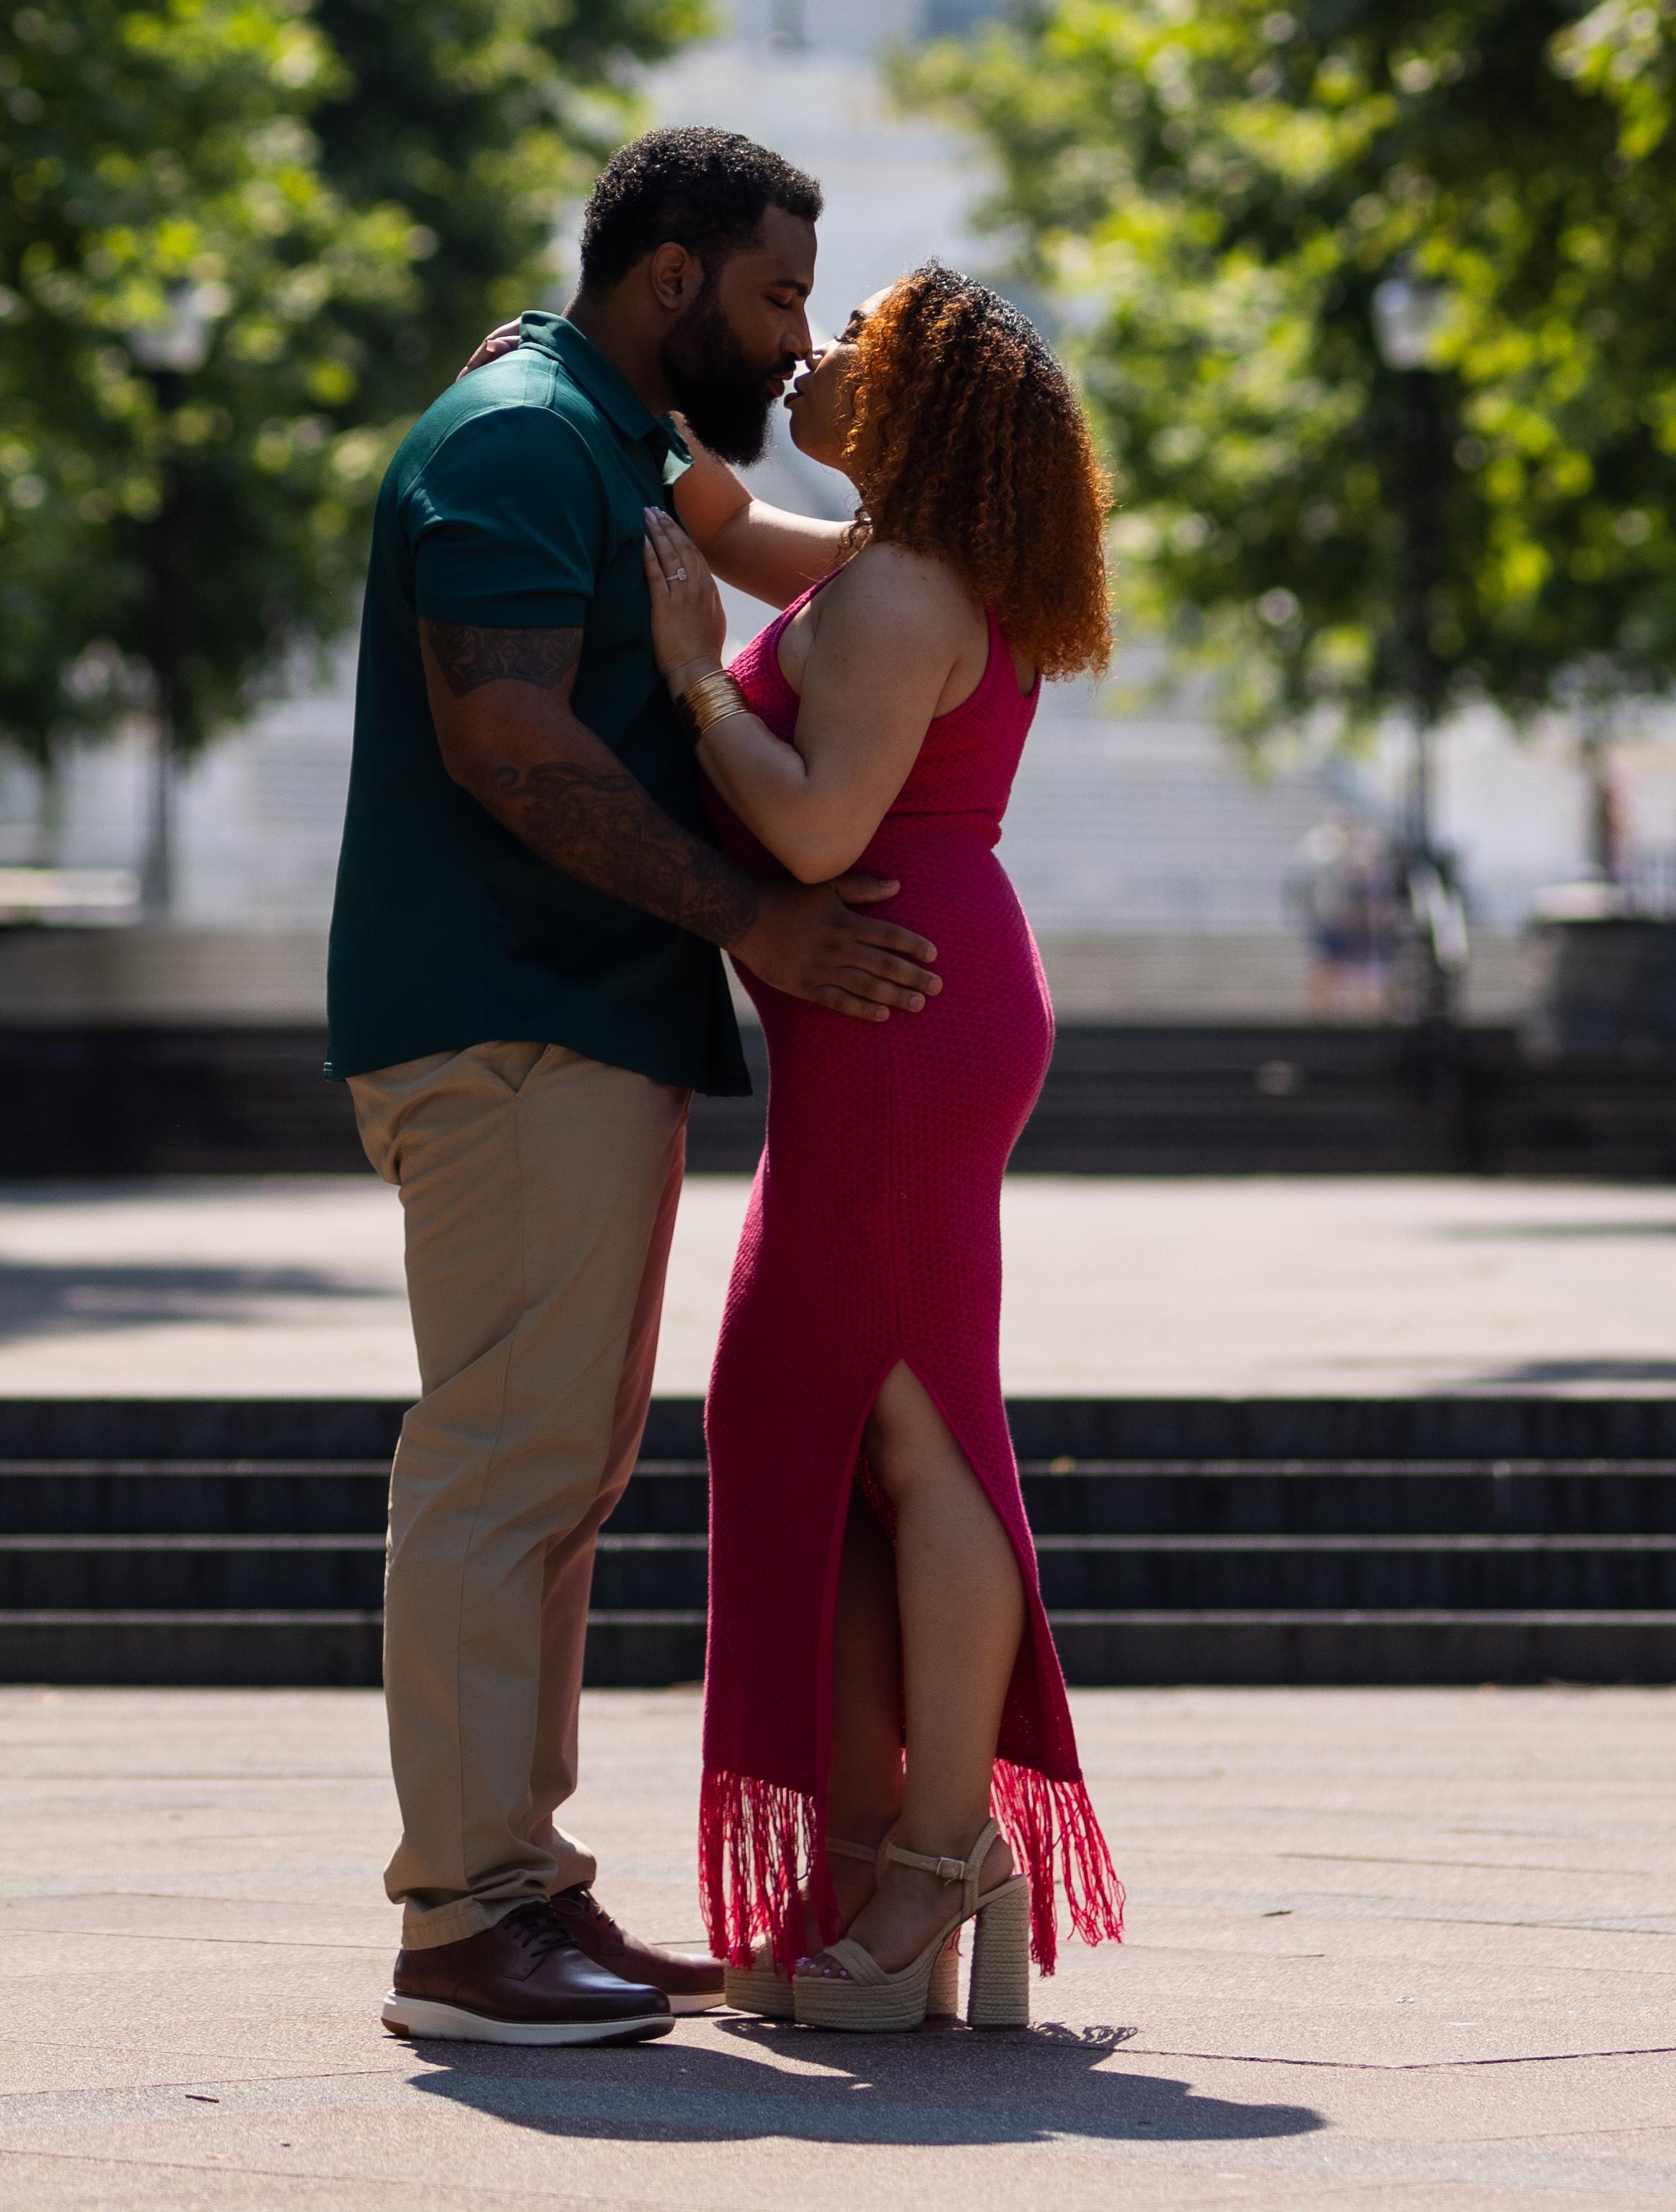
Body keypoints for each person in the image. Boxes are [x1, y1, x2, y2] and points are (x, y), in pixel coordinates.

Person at [327, 123, 943, 2055]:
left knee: (555, 1471)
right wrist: (760, 919)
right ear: (667, 276)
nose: (793, 343)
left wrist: (959, 479)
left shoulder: (607, 433)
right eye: (774, 301)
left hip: (576, 1023)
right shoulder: (521, 437)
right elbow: (506, 739)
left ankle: (521, 1877)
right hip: (510, 1027)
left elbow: (820, 555)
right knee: (507, 1467)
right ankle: (462, 1923)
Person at [643, 261, 1126, 2032]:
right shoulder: (891, 565)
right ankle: (900, 1864)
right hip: (908, 1010)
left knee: (911, 1426)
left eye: (856, 330)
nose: (819, 343)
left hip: (897, 1009)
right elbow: (740, 528)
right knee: (847, 1416)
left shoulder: (897, 593)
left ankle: (933, 1857)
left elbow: (823, 821)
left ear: (913, 394)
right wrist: (623, 416)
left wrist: (698, 689)